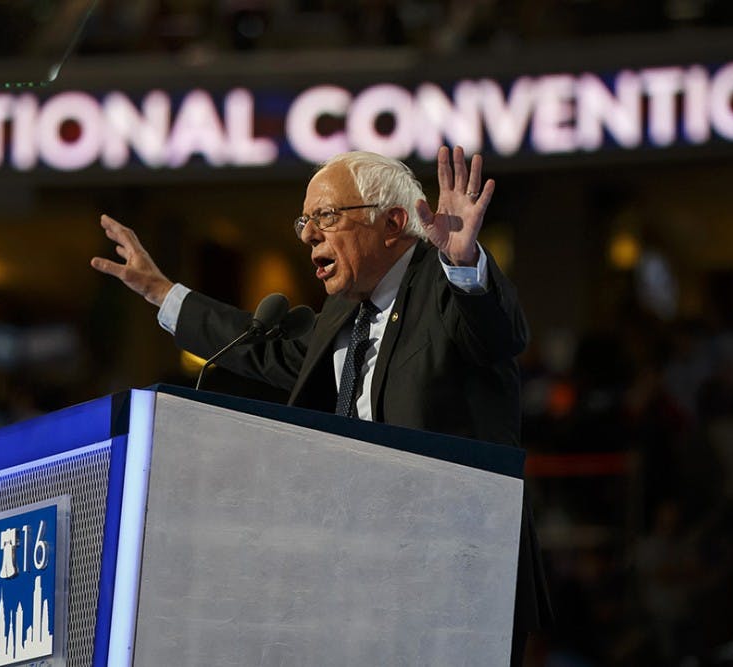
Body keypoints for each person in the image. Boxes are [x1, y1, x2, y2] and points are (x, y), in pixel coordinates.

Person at [91, 145, 552, 665]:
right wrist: (161, 292)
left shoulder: (444, 285)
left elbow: (502, 332)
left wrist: (464, 263)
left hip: (459, 576)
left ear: (393, 222)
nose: (309, 234)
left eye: (326, 217)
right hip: (360, 579)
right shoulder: (342, 316)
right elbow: (259, 345)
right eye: (305, 221)